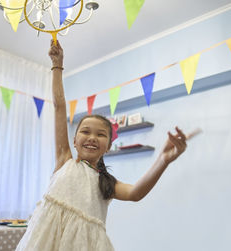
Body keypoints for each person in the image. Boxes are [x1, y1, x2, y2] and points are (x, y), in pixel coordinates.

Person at [16, 40, 194, 251]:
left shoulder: (106, 183)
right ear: (74, 140)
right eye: (85, 132)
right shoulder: (65, 159)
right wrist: (57, 65)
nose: (92, 137)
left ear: (108, 146)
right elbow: (59, 105)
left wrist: (163, 160)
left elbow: (135, 193)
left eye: (100, 135)